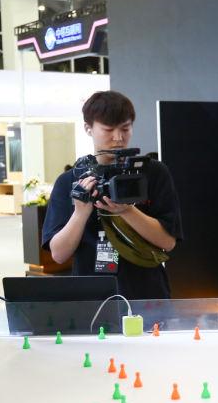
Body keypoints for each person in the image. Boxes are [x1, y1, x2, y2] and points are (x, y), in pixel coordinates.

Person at [42, 91, 182, 300]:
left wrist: (127, 211)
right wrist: (80, 213)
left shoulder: (152, 172)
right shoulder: (71, 181)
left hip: (146, 293)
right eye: (108, 129)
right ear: (88, 128)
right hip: (91, 295)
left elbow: (168, 242)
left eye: (125, 128)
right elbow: (59, 255)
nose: (118, 138)